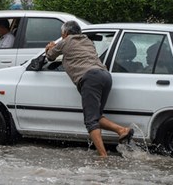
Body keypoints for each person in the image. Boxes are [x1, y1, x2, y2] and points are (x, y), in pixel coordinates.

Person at [45, 20, 134, 157]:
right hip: (105, 76)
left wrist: (50, 47)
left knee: (90, 121)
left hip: (90, 78)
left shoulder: (66, 41)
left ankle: (103, 156)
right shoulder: (87, 41)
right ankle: (122, 130)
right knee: (96, 116)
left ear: (66, 33)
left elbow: (50, 56)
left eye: (62, 34)